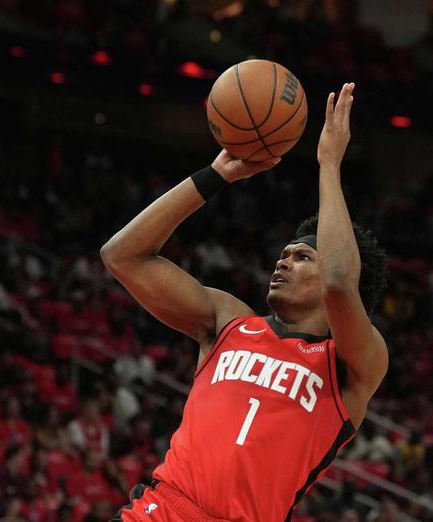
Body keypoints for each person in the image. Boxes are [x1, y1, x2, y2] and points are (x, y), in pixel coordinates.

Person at [101, 83, 389, 521]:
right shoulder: (228, 320)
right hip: (162, 511)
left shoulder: (353, 362)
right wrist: (216, 175)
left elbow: (337, 282)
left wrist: (329, 164)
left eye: (302, 256)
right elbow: (122, 256)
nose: (283, 260)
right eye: (285, 253)